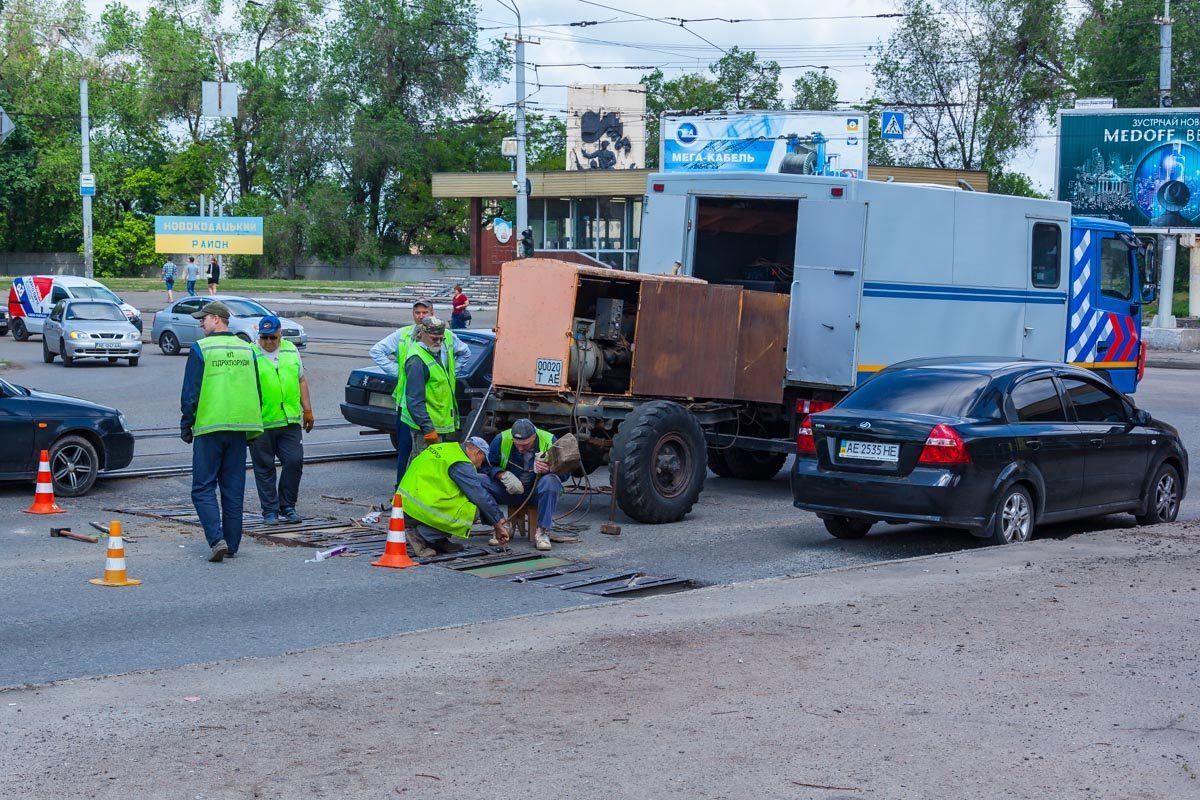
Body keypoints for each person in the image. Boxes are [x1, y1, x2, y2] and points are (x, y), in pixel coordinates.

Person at [180, 301, 263, 563]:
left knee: (203, 487)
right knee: (233, 488)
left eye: (203, 319)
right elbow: (257, 390)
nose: (200, 323)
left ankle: (217, 540)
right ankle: (233, 542)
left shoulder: (202, 348)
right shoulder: (247, 349)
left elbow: (191, 391)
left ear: (217, 319)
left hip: (210, 425)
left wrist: (186, 423)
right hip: (240, 427)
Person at [368, 299, 471, 487]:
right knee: (409, 454)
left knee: (432, 461)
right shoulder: (408, 340)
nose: (421, 316)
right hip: (412, 410)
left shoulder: (445, 335)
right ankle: (403, 496)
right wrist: (400, 374)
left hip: (438, 410)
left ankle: (417, 498)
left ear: (433, 313)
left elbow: (464, 354)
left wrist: (449, 375)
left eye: (425, 312)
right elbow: (377, 352)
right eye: (418, 313)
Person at [250, 315, 314, 525]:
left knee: (294, 461)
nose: (268, 342)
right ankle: (269, 510)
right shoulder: (251, 353)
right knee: (264, 467)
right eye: (264, 338)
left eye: (272, 338)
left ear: (280, 334)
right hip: (262, 422)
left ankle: (288, 506)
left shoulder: (290, 349)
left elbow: (301, 380)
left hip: (289, 420)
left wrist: (308, 410)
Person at [398, 436, 510, 557]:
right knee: (471, 510)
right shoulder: (460, 462)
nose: (479, 466)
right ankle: (420, 535)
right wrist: (498, 522)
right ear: (477, 452)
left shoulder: (447, 448)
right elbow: (478, 495)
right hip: (420, 507)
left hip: (404, 503)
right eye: (482, 461)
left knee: (461, 498)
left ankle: (438, 540)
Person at [484, 419, 565, 552]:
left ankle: (542, 533)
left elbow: (565, 473)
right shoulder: (501, 439)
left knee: (551, 481)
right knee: (481, 481)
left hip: (536, 492)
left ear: (534, 436)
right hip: (509, 491)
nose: (521, 449)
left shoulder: (549, 440)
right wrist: (501, 475)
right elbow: (486, 467)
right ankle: (502, 525)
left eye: (525, 445)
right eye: (517, 445)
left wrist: (549, 469)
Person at [400, 315, 461, 463]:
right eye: (435, 338)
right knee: (422, 467)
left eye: (441, 338)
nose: (439, 342)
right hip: (426, 429)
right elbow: (415, 400)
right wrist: (428, 429)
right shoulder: (417, 360)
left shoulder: (434, 353)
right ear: (423, 335)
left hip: (436, 426)